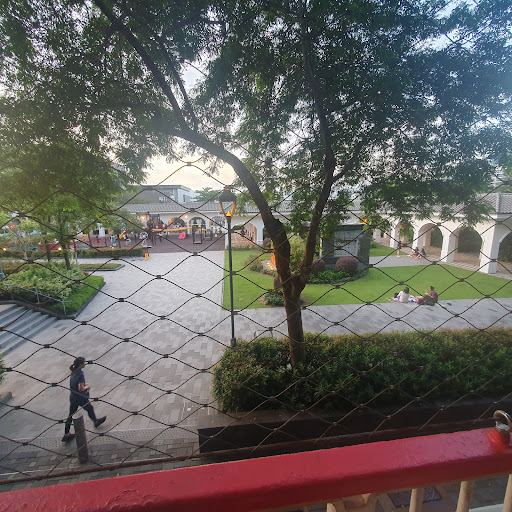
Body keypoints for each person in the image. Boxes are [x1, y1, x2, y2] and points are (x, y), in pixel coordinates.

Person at [62, 357, 106, 442]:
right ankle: (96, 421)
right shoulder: (80, 374)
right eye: (84, 362)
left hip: (73, 397)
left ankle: (66, 434)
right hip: (80, 397)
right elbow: (80, 388)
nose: (85, 363)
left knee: (71, 415)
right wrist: (87, 387)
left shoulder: (73, 371)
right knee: (90, 408)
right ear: (81, 364)